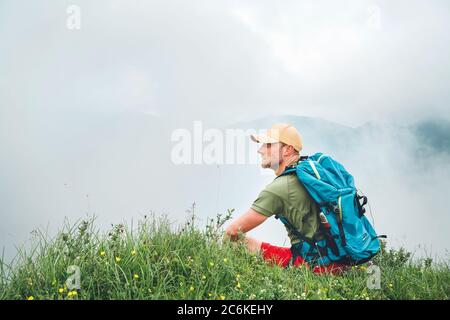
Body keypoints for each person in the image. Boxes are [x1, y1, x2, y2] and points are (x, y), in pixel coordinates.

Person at [224, 123, 348, 274]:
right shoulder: (309, 174)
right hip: (341, 259)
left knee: (236, 241)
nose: (261, 150)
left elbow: (232, 232)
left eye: (269, 145)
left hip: (313, 266)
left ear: (288, 149)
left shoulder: (279, 188)